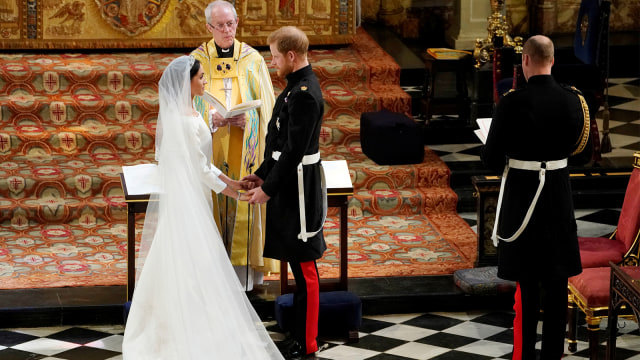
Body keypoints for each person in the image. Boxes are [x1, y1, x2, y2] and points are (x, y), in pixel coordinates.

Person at [122, 55, 283, 360]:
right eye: (201, 78)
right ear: (188, 82)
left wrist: (233, 182)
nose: (205, 83)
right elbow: (200, 170)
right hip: (190, 199)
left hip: (195, 195)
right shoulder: (184, 121)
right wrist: (236, 195)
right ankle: (186, 328)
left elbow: (205, 164)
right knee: (192, 262)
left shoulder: (189, 113)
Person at [481, 35, 591, 360]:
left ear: (525, 60)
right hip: (558, 198)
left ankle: (526, 355)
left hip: (522, 202)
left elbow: (490, 159)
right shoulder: (574, 100)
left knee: (528, 287)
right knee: (557, 288)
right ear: (552, 60)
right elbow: (581, 154)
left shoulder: (511, 103)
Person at [243, 26, 327, 359]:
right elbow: (277, 144)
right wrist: (262, 175)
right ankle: (298, 332)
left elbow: (294, 151)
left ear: (291, 56)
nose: (272, 61)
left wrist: (269, 189)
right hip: (287, 183)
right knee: (295, 262)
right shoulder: (295, 87)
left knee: (305, 268)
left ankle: (308, 342)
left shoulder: (305, 92)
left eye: (276, 56)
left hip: (299, 191)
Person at [191, 0, 277, 290]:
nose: (227, 30)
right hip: (212, 145)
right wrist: (211, 120)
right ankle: (210, 276)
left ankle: (244, 277)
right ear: (208, 27)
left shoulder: (253, 60)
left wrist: (249, 121)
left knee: (244, 196)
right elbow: (186, 105)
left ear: (237, 22)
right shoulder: (197, 60)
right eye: (220, 26)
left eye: (231, 24)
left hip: (245, 148)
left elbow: (268, 110)